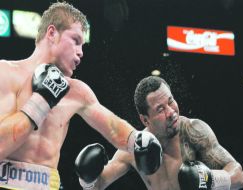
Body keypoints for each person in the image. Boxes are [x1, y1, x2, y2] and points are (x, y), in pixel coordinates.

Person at [0, 2, 162, 190]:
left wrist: (139, 140)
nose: (81, 52)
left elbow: (112, 127)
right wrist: (41, 101)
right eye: (75, 40)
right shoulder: (6, 74)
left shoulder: (77, 91)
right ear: (52, 33)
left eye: (83, 45)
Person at [76, 76, 243, 190]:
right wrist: (86, 177)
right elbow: (97, 185)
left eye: (171, 101)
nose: (171, 112)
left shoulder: (193, 131)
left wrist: (211, 180)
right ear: (145, 120)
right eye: (160, 109)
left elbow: (239, 175)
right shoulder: (135, 149)